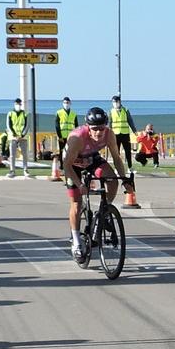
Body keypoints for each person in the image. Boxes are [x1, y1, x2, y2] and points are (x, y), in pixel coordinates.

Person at [57, 104, 131, 257]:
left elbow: (117, 158)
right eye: (95, 129)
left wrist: (124, 179)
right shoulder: (77, 138)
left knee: (112, 180)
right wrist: (80, 185)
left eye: (101, 128)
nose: (98, 132)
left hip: (91, 159)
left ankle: (104, 211)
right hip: (72, 164)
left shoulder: (109, 134)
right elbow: (66, 166)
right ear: (88, 127)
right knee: (77, 204)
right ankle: (76, 241)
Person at [4, 98, 31, 176]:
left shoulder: (25, 113)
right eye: (16, 104)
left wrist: (22, 135)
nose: (18, 105)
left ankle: (25, 170)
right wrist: (15, 135)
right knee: (12, 155)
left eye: (19, 104)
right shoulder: (10, 113)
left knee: (24, 154)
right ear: (14, 104)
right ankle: (12, 170)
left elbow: (27, 125)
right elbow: (8, 125)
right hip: (13, 137)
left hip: (23, 137)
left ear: (21, 105)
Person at [51, 97, 76, 180]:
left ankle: (71, 166)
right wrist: (60, 136)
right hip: (62, 136)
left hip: (71, 137)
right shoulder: (59, 113)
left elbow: (76, 126)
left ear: (70, 103)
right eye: (65, 102)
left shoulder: (73, 113)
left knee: (71, 152)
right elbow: (57, 125)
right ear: (63, 103)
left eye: (68, 102)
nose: (66, 104)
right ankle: (62, 167)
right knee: (62, 153)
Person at [109, 95, 136, 169]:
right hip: (115, 134)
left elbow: (130, 121)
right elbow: (110, 123)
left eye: (116, 102)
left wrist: (134, 131)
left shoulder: (125, 110)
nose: (115, 103)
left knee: (128, 151)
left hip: (125, 134)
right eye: (113, 102)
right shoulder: (111, 111)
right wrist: (108, 133)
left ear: (119, 102)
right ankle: (117, 168)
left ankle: (130, 167)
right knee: (116, 153)